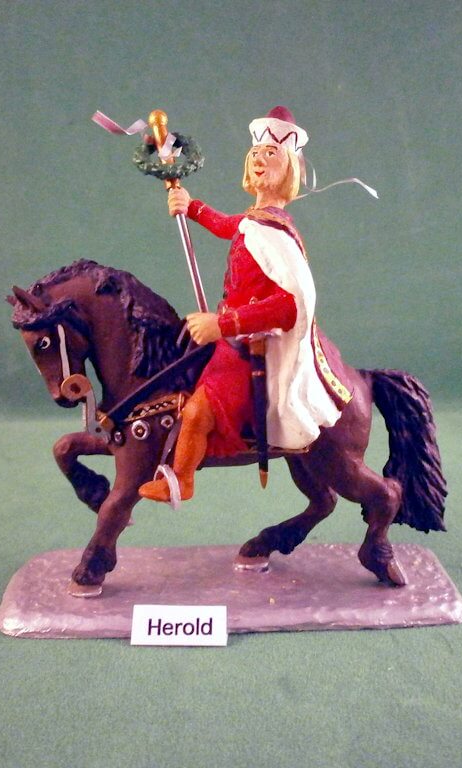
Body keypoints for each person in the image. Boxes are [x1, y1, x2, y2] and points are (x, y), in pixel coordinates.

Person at [138, 106, 349, 503]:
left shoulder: (276, 233)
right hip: (228, 338)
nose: (259, 160)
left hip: (248, 346)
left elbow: (289, 307)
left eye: (271, 154)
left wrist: (222, 324)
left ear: (288, 169)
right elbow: (227, 225)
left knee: (197, 413)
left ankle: (182, 481)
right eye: (255, 153)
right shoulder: (255, 220)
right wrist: (190, 205)